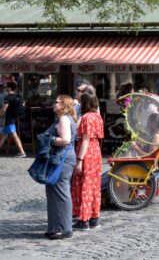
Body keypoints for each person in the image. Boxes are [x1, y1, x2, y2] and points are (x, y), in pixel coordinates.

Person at [44, 95, 77, 240]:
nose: (53, 104)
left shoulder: (64, 118)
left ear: (64, 104)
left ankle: (64, 228)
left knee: (60, 193)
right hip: (60, 158)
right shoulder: (63, 118)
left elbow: (65, 140)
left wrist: (48, 139)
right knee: (53, 192)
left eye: (56, 102)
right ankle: (54, 227)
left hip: (62, 159)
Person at [71, 93, 104, 231]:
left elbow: (85, 140)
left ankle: (84, 220)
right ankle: (94, 218)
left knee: (84, 186)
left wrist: (79, 160)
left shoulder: (86, 118)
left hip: (87, 153)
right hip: (96, 152)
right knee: (94, 186)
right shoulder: (97, 117)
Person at [0, 81, 26, 157]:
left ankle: (22, 152)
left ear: (9, 88)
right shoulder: (17, 96)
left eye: (6, 87)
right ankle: (22, 152)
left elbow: (3, 110)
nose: (5, 88)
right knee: (3, 137)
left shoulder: (7, 97)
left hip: (8, 120)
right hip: (13, 118)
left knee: (6, 136)